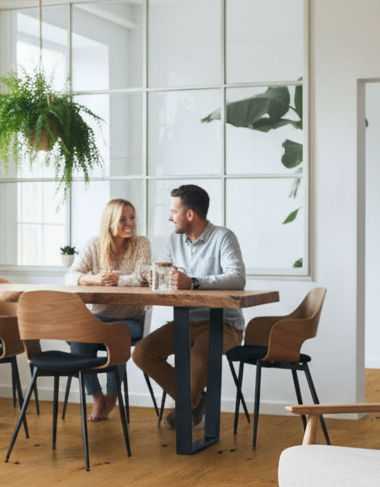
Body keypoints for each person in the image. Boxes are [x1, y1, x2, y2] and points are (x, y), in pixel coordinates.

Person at [132, 184, 245, 429]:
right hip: (187, 321)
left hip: (225, 325)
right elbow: (168, 275)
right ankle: (195, 402)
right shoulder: (175, 240)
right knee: (142, 353)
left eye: (174, 211)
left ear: (190, 214)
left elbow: (237, 277)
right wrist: (157, 277)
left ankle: (188, 406)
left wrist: (193, 282)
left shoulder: (223, 237)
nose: (170, 216)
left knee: (197, 358)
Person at [65, 199, 152, 421]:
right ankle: (97, 397)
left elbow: (143, 277)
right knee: (78, 338)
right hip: (97, 318)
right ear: (110, 221)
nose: (130, 223)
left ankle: (113, 396)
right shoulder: (94, 245)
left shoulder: (141, 244)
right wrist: (92, 278)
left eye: (132, 217)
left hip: (131, 319)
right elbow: (70, 276)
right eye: (123, 219)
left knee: (116, 334)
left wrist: (118, 280)